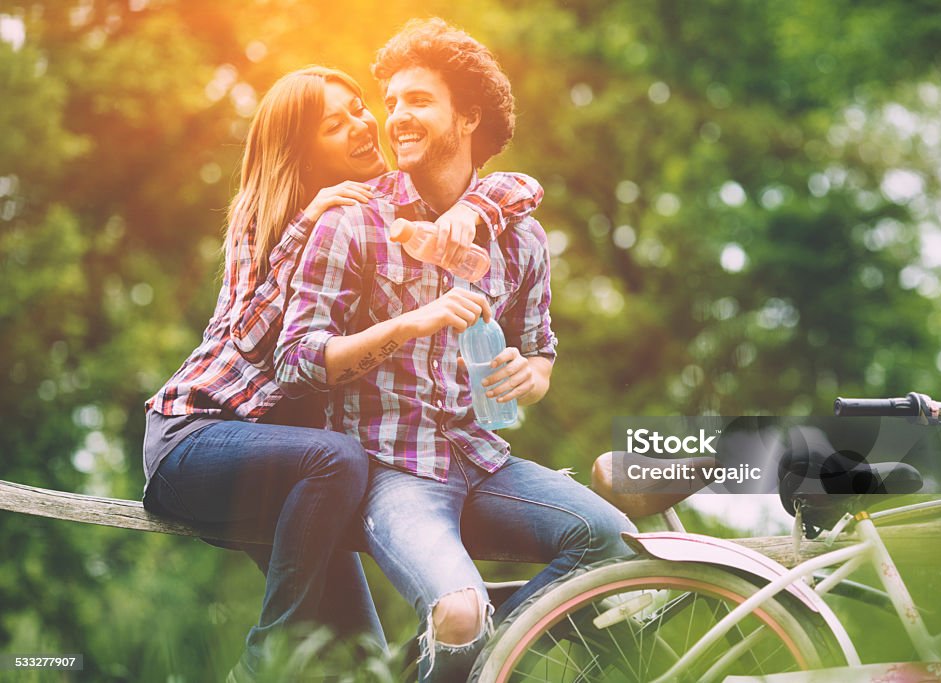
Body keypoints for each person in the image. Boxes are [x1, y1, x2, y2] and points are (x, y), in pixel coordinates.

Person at [141, 64, 545, 681]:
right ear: (302, 150)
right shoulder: (267, 219)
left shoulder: (379, 211)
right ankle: (258, 667)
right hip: (201, 437)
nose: (364, 125)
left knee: (363, 662)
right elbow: (248, 339)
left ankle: (463, 631)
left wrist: (478, 205)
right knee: (338, 459)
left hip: (301, 475)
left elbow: (520, 186)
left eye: (360, 108)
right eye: (336, 124)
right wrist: (306, 223)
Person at [274, 20, 636, 682]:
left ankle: (487, 662)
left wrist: (531, 375)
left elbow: (542, 352)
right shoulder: (353, 220)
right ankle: (473, 646)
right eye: (393, 103)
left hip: (486, 459)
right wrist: (413, 322)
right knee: (462, 611)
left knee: (616, 544)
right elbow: (295, 357)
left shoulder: (520, 239)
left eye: (418, 101)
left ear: (468, 116)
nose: (396, 118)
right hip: (395, 472)